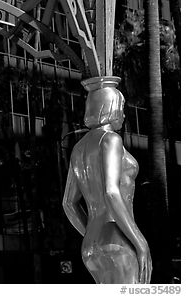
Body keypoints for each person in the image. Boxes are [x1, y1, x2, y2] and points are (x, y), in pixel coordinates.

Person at [62, 76, 151, 284]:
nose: (124, 114)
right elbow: (111, 192)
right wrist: (140, 242)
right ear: (110, 107)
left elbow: (68, 203)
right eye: (121, 107)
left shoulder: (78, 148)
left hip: (91, 244)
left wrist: (93, 235)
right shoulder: (111, 139)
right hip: (117, 238)